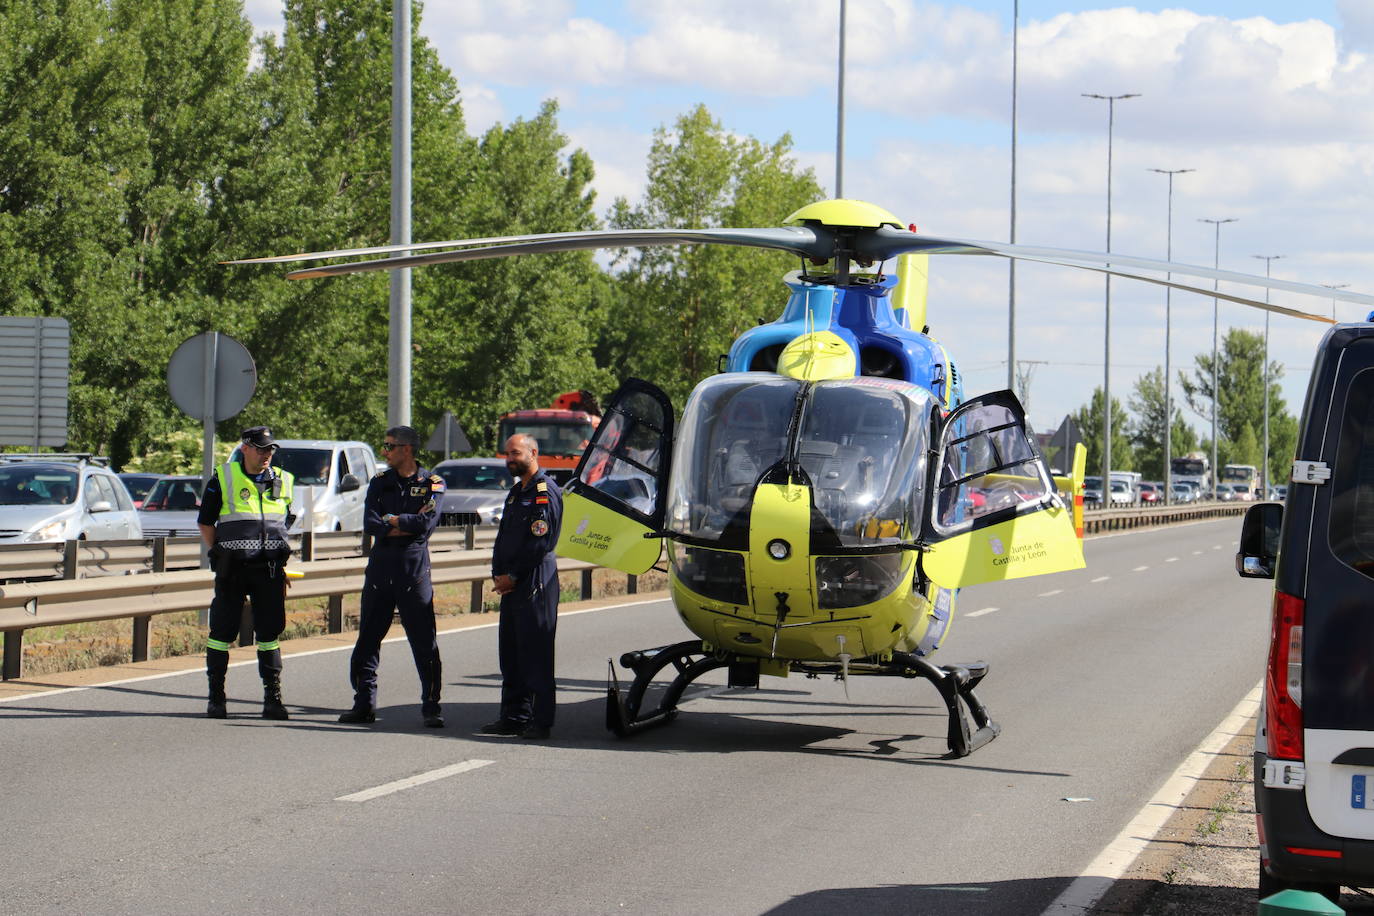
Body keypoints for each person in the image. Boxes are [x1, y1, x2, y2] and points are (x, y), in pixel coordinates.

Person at [338, 426, 447, 727]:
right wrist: (399, 525)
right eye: (384, 446)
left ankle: (431, 706)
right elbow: (371, 523)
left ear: (407, 449)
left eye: (389, 446)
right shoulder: (380, 482)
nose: (384, 452)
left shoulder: (432, 484)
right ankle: (363, 705)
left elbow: (426, 523)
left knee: (424, 643)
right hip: (380, 570)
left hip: (413, 573)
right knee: (367, 642)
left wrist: (395, 520)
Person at [198, 426, 295, 720]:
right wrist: (220, 552)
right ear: (245, 449)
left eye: (270, 450)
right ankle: (217, 697)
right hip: (234, 569)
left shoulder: (284, 480)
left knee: (269, 633)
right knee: (221, 632)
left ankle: (273, 698)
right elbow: (205, 522)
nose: (267, 454)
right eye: (261, 448)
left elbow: (284, 523)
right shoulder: (224, 478)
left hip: (269, 570)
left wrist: (282, 564)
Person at [477, 434, 563, 740]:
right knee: (511, 653)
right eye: (507, 454)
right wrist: (498, 572)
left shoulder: (543, 492)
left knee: (535, 653)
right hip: (512, 583)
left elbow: (539, 541)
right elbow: (505, 539)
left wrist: (513, 576)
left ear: (533, 452)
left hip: (534, 581)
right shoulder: (516, 493)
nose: (509, 458)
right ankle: (514, 716)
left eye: (515, 453)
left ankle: (540, 721)